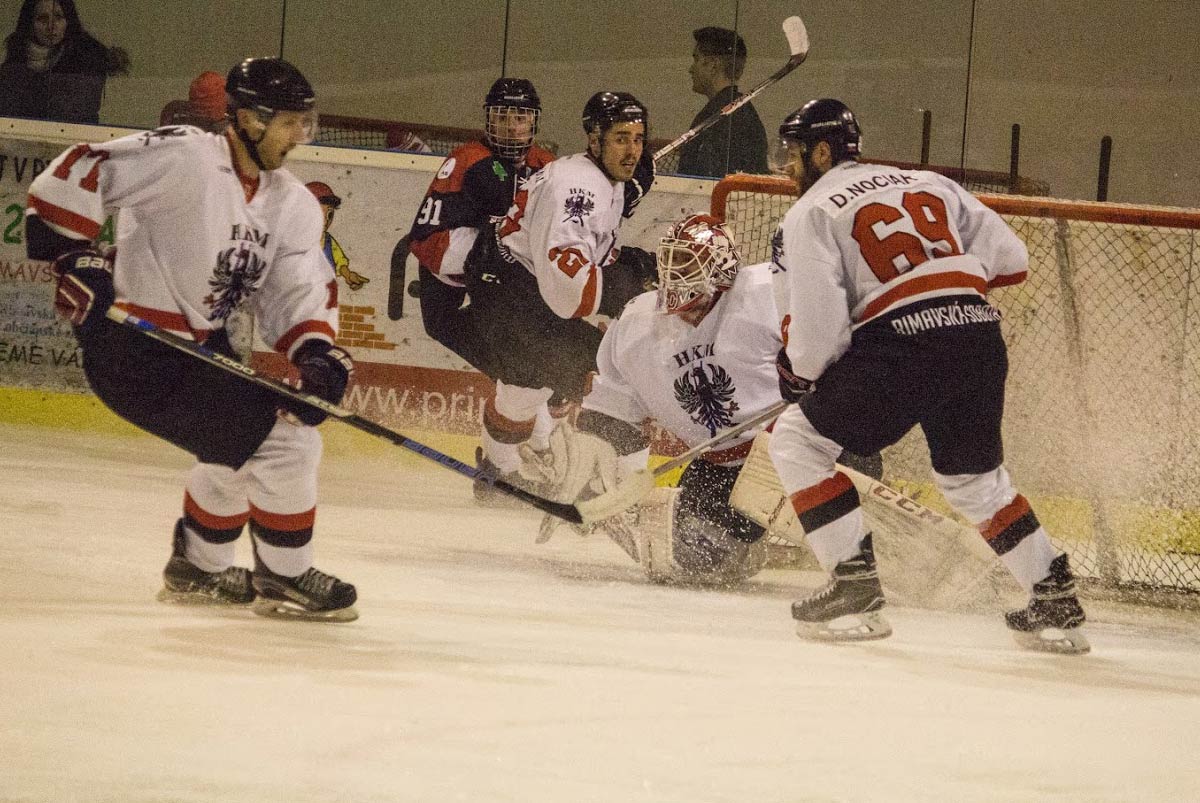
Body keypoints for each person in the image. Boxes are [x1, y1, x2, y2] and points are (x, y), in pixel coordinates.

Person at [26, 57, 359, 622]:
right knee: (285, 445)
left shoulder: (293, 203)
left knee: (234, 452)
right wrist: (75, 256)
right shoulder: (186, 155)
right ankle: (283, 574)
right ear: (249, 119)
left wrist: (316, 354)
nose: (299, 136)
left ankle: (198, 570)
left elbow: (297, 287)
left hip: (203, 350)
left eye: (305, 123)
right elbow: (85, 166)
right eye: (288, 123)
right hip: (133, 349)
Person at [765, 98, 1088, 653]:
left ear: (821, 152)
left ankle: (854, 588)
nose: (787, 166)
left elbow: (818, 334)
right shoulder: (929, 182)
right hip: (977, 337)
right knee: (973, 480)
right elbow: (1013, 259)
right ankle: (1053, 595)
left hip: (903, 344)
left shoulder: (810, 211)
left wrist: (803, 374)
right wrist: (944, 288)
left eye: (793, 154)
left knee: (797, 441)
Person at [465, 90, 657, 497]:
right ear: (594, 139)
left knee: (524, 387)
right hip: (514, 297)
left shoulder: (598, 177)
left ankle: (496, 474)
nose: (632, 151)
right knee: (614, 378)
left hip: (507, 284)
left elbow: (588, 244)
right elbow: (569, 295)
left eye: (638, 139)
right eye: (621, 139)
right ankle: (613, 494)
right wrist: (626, 281)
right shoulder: (576, 191)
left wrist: (624, 195)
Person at [407, 78, 555, 376]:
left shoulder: (545, 162)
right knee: (444, 323)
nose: (511, 126)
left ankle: (520, 374)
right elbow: (501, 202)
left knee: (453, 322)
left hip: (480, 251)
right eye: (502, 117)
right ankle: (518, 373)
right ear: (489, 120)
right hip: (443, 247)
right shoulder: (473, 158)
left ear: (533, 122)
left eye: (520, 118)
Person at [0, 0, 129, 124]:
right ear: (29, 24)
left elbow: (76, 116)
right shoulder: (13, 66)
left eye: (58, 17)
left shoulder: (85, 60)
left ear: (68, 21)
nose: (51, 26)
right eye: (42, 19)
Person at [675, 26, 768, 178]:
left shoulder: (721, 118)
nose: (691, 69)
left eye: (696, 59)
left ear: (713, 64)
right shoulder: (740, 112)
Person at [306, 180, 369, 290]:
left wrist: (348, 275)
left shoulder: (328, 242)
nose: (325, 222)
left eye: (329, 215)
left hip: (327, 291)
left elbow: (340, 263)